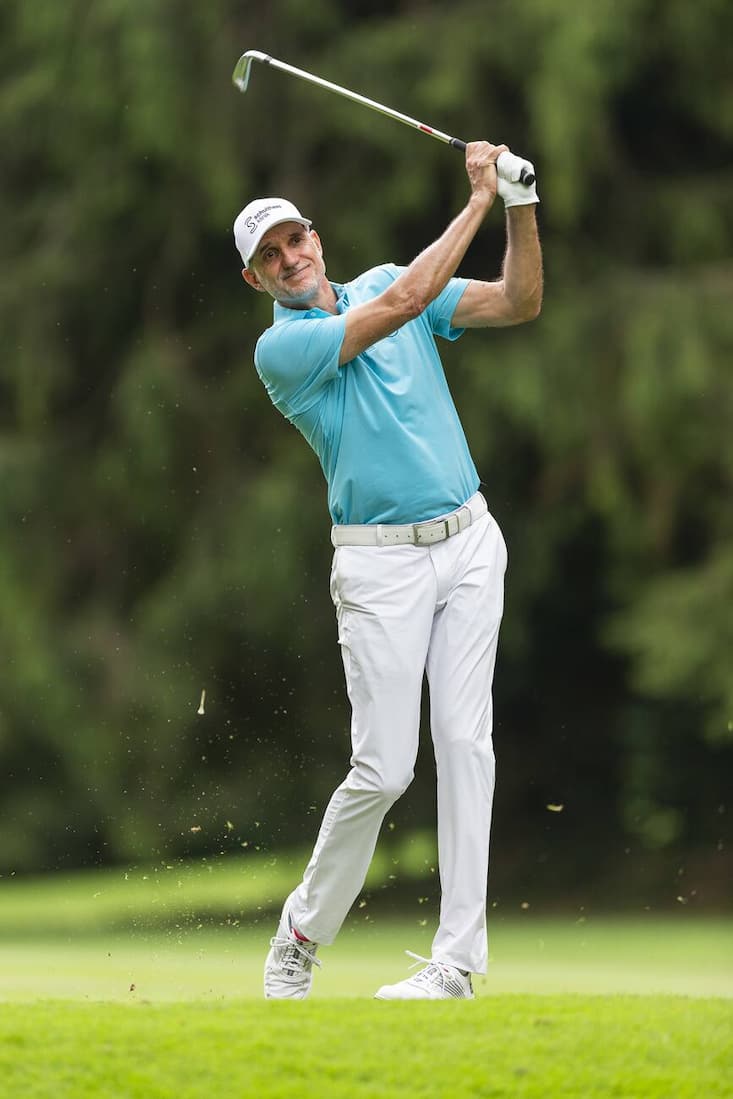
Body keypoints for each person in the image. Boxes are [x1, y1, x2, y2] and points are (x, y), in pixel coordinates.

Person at [233, 140, 542, 1000]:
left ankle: (457, 963)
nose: (290, 258)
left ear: (315, 237)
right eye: (269, 255)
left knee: (465, 743)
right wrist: (478, 200)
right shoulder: (285, 352)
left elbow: (518, 301)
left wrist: (520, 206)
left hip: (471, 540)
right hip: (379, 571)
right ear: (255, 281)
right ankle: (299, 934)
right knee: (384, 768)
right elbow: (409, 298)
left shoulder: (375, 279)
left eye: (295, 239)